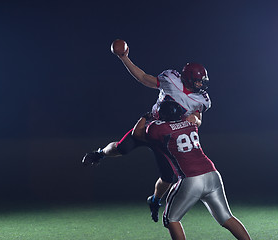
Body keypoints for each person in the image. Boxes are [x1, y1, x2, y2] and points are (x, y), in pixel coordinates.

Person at [82, 42, 211, 222]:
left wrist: (194, 120)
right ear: (187, 78)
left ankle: (155, 200)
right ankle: (100, 153)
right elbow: (143, 77)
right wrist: (124, 58)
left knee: (168, 177)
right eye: (197, 80)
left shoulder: (201, 98)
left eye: (201, 81)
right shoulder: (171, 79)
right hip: (150, 125)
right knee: (122, 148)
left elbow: (198, 118)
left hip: (168, 137)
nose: (199, 84)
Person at [146, 101, 251, 240]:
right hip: (212, 174)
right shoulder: (191, 123)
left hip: (191, 178)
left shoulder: (159, 128)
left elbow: (143, 131)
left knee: (170, 219)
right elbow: (196, 116)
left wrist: (145, 117)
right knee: (226, 217)